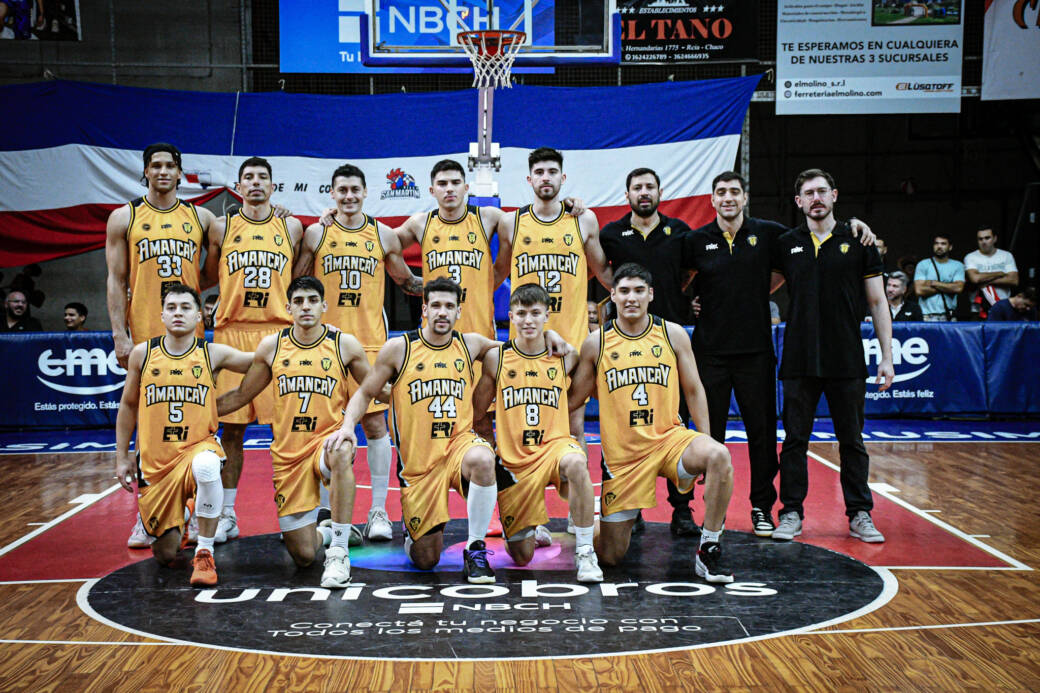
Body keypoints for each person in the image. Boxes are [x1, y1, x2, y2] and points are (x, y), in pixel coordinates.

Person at [325, 277, 568, 583]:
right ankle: (414, 532)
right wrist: (348, 426)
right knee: (426, 559)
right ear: (424, 309)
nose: (442, 312)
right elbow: (365, 392)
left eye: (449, 306)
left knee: (483, 458)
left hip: (458, 448)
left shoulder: (470, 344)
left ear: (458, 311)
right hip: (420, 464)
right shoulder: (399, 349)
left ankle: (476, 549)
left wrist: (550, 334)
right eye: (436, 305)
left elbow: (521, 348)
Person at [684, 171, 875, 537]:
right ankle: (710, 512)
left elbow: (813, 238)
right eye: (721, 192)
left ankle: (761, 507)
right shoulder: (696, 239)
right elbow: (677, 279)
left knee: (763, 437)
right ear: (712, 199)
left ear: (745, 197)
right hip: (710, 353)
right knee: (709, 438)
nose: (728, 197)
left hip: (756, 352)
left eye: (735, 191)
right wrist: (693, 302)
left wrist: (854, 224)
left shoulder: (773, 235)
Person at [568, 263, 735, 582]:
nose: (631, 298)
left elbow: (694, 389)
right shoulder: (597, 342)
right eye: (624, 291)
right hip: (624, 458)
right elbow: (573, 399)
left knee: (718, 455)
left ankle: (709, 548)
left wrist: (707, 438)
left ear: (651, 294)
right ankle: (594, 528)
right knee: (611, 556)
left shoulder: (672, 334)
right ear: (613, 295)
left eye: (639, 291)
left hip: (669, 441)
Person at [214, 276, 372, 589]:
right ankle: (329, 532)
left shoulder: (344, 344)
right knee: (303, 555)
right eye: (299, 301)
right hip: (288, 456)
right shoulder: (272, 346)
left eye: (312, 300)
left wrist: (351, 423)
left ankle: (339, 552)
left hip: (325, 443)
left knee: (342, 449)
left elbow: (373, 389)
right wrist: (197, 412)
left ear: (324, 305)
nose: (306, 307)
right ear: (288, 308)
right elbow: (242, 395)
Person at [295, 163, 422, 543]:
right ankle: (327, 514)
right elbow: (296, 280)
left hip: (370, 345)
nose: (349, 196)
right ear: (332, 194)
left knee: (376, 426)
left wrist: (447, 285)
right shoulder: (317, 233)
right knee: (325, 429)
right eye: (342, 190)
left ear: (366, 193)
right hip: (325, 345)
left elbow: (405, 281)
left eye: (355, 190)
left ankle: (378, 511)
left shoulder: (382, 234)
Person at [769, 169, 893, 544]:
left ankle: (859, 513)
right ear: (799, 201)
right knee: (794, 440)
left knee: (852, 440)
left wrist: (887, 356)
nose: (816, 198)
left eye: (822, 191)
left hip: (846, 357)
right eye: (809, 193)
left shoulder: (859, 240)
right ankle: (791, 512)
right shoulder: (786, 244)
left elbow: (878, 302)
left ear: (834, 195)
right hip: (799, 358)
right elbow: (757, 288)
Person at [114, 284, 254, 586]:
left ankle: (205, 552)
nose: (178, 313)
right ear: (162, 315)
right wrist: (122, 456)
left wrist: (240, 397)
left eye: (186, 307)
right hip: (156, 464)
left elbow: (264, 361)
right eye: (172, 307)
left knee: (207, 466)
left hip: (197, 449)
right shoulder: (143, 354)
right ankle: (189, 509)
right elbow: (127, 405)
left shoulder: (211, 353)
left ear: (199, 316)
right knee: (165, 554)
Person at [200, 157, 305, 545]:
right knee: (231, 427)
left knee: (287, 429)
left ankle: (293, 513)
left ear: (273, 186)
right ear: (238, 186)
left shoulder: (291, 226)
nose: (256, 183)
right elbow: (208, 275)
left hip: (279, 332)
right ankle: (227, 513)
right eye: (249, 178)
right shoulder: (221, 227)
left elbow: (300, 274)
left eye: (263, 178)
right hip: (232, 331)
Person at [472, 283, 603, 583]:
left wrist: (563, 411)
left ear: (546, 316)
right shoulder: (497, 359)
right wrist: (492, 452)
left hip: (554, 448)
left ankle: (585, 552)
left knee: (577, 462)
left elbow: (585, 390)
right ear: (511, 317)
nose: (528, 320)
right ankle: (530, 527)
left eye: (535, 313)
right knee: (522, 556)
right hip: (515, 461)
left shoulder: (565, 357)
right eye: (521, 314)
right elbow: (478, 414)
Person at [598, 168, 701, 536]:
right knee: (626, 425)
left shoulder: (680, 232)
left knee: (676, 421)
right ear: (627, 194)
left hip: (668, 336)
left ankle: (682, 508)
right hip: (624, 341)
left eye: (649, 187)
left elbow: (689, 273)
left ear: (660, 191)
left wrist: (676, 296)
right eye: (637, 187)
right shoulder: (612, 233)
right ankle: (633, 505)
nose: (644, 192)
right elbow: (601, 270)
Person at [964, 227, 1019, 320]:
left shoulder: (1006, 256)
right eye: (980, 239)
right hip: (978, 309)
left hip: (1003, 306)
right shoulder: (970, 257)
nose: (984, 242)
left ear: (995, 238)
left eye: (987, 238)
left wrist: (983, 280)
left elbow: (1014, 280)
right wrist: (999, 273)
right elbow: (975, 279)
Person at [914, 234, 964, 321]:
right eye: (936, 243)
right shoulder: (923, 264)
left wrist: (934, 283)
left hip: (949, 315)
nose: (939, 246)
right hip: (926, 316)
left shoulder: (958, 265)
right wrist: (949, 286)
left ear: (950, 247)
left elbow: (958, 288)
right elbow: (919, 290)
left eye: (943, 244)